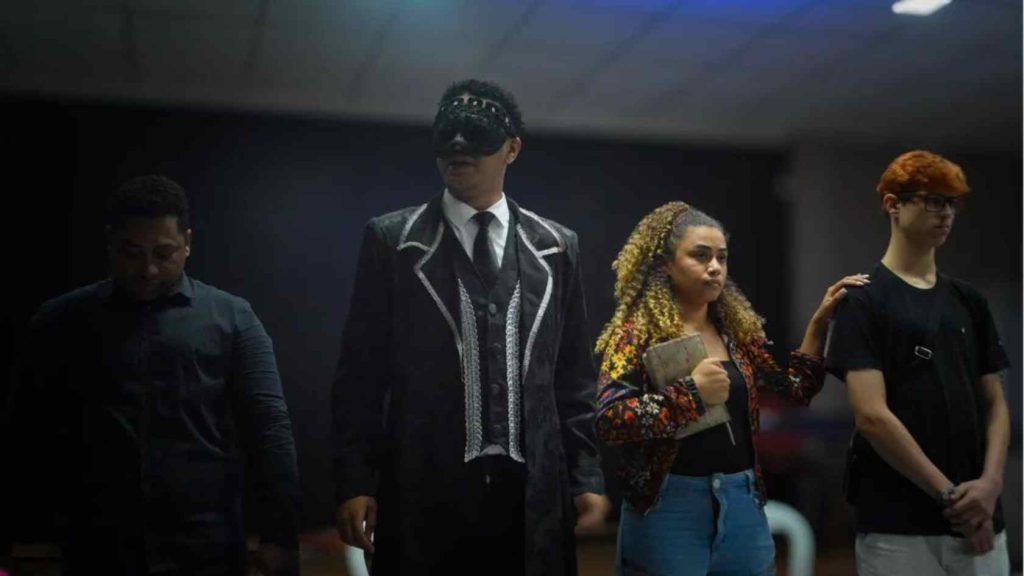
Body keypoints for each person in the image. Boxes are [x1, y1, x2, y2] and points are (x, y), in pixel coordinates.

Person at [331, 78, 606, 576]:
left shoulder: (555, 246)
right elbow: (360, 375)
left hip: (532, 496)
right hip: (423, 490)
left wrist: (585, 474)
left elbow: (573, 377)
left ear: (512, 149)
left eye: (476, 134)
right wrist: (355, 479)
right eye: (447, 133)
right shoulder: (393, 241)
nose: (458, 146)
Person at [3, 175, 302, 575]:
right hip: (96, 545)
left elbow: (269, 428)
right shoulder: (60, 321)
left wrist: (281, 535)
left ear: (188, 242)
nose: (148, 269)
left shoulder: (234, 319)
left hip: (207, 546)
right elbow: (24, 433)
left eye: (164, 253)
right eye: (132, 253)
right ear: (110, 243)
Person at [595, 201, 865, 575]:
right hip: (669, 507)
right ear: (666, 264)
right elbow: (610, 419)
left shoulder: (736, 334)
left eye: (722, 257)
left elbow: (797, 389)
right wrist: (691, 394)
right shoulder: (636, 335)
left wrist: (819, 325)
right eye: (700, 255)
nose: (715, 267)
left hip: (742, 501)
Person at [826, 150, 1011, 575]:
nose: (946, 213)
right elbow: (872, 416)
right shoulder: (863, 300)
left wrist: (990, 485)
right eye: (933, 201)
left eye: (952, 203)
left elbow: (996, 404)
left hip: (980, 523)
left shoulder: (969, 301)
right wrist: (950, 497)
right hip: (898, 528)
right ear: (894, 205)